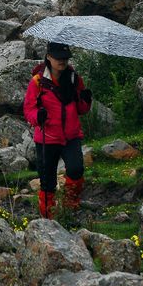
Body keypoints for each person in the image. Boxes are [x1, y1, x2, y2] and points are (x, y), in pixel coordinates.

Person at [23, 42, 93, 219]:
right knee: (47, 182)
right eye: (58, 57)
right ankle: (48, 218)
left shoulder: (74, 79)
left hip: (71, 136)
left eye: (65, 57)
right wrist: (38, 116)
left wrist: (86, 100)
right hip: (47, 138)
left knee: (76, 170)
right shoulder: (38, 82)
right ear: (48, 57)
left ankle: (70, 209)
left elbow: (81, 109)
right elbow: (28, 109)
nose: (62, 61)